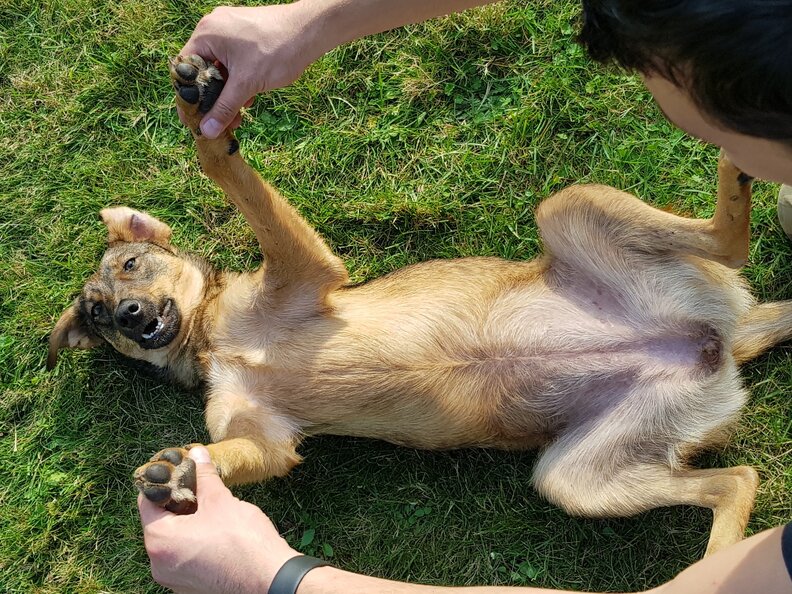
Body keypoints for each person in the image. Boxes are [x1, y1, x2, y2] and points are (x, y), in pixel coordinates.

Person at [141, 1, 792, 591]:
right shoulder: (229, 407)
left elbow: (304, 260)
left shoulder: (259, 299)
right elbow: (265, 452)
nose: (130, 304)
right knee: (573, 482)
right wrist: (211, 465)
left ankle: (719, 241)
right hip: (620, 408)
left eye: (132, 271)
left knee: (567, 218)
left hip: (607, 299)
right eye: (109, 314)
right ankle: (725, 489)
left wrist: (219, 161)